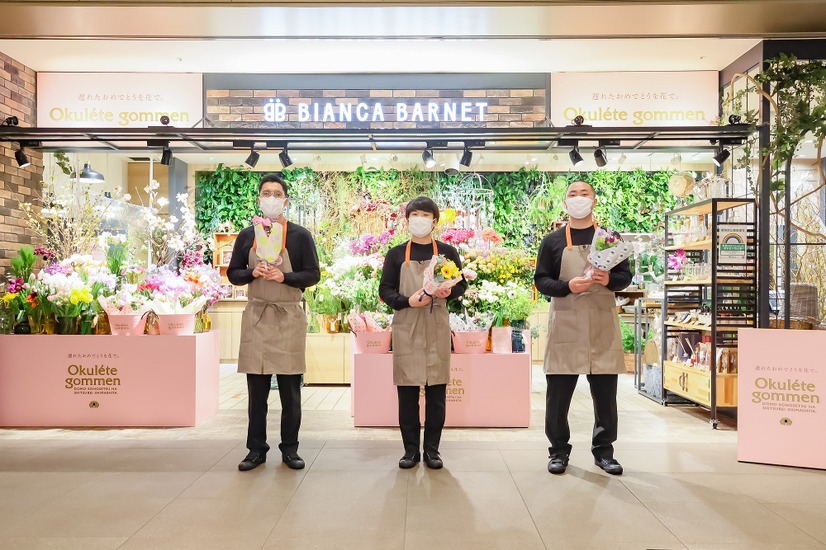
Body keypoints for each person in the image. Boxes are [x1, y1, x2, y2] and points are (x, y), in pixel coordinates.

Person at [534, 180, 631, 476]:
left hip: (601, 322)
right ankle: (558, 451)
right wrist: (567, 286)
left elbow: (626, 276)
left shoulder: (610, 238)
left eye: (584, 194)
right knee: (558, 395)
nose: (578, 199)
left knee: (605, 395)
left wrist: (608, 280)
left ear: (595, 200)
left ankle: (604, 452)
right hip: (566, 323)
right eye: (572, 195)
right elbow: (541, 280)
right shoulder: (552, 241)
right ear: (565, 203)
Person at [228, 173, 320, 472]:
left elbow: (312, 274)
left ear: (285, 200)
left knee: (291, 391)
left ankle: (290, 449)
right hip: (256, 315)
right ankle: (256, 450)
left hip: (287, 315)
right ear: (259, 199)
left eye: (276, 193)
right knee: (256, 391)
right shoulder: (247, 235)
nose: (271, 198)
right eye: (266, 193)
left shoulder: (299, 236)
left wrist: (285, 277)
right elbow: (233, 273)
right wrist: (252, 273)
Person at [379, 197, 467, 470]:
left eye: (425, 215)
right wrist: (407, 301)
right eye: (414, 214)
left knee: (437, 392)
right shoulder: (395, 254)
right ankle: (410, 451)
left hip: (437, 324)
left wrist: (450, 291)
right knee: (406, 392)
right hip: (407, 326)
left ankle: (432, 451)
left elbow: (461, 285)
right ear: (407, 220)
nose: (419, 219)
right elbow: (385, 290)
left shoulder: (447, 251)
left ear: (435, 221)